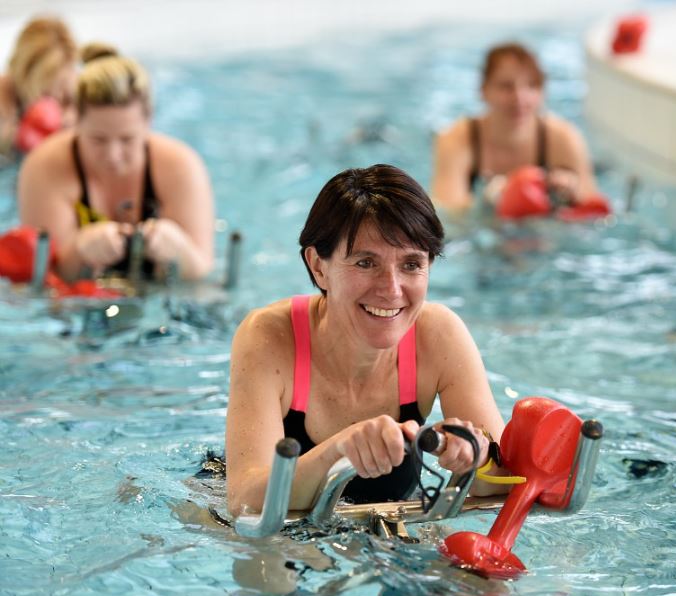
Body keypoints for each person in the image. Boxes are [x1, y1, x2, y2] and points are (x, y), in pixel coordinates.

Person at [225, 164, 506, 516]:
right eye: (365, 262)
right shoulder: (268, 336)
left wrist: (474, 457)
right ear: (318, 266)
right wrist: (339, 450)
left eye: (411, 265)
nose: (391, 290)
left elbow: (500, 485)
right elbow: (244, 501)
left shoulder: (438, 336)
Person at [17, 44, 214, 281]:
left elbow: (202, 275)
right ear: (76, 121)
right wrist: (78, 250)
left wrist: (179, 248)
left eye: (127, 139)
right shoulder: (45, 167)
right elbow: (45, 280)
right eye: (98, 140)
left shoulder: (181, 167)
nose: (113, 155)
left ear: (148, 121)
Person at [432, 42, 599, 214]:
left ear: (543, 92)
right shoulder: (457, 138)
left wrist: (567, 196)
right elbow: (448, 214)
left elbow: (593, 210)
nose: (520, 98)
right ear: (483, 91)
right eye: (506, 86)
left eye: (532, 85)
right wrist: (487, 203)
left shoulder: (564, 138)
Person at [0, 16, 78, 155]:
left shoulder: (75, 86)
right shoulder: (4, 94)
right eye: (46, 91)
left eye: (62, 88)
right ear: (23, 74)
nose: (56, 97)